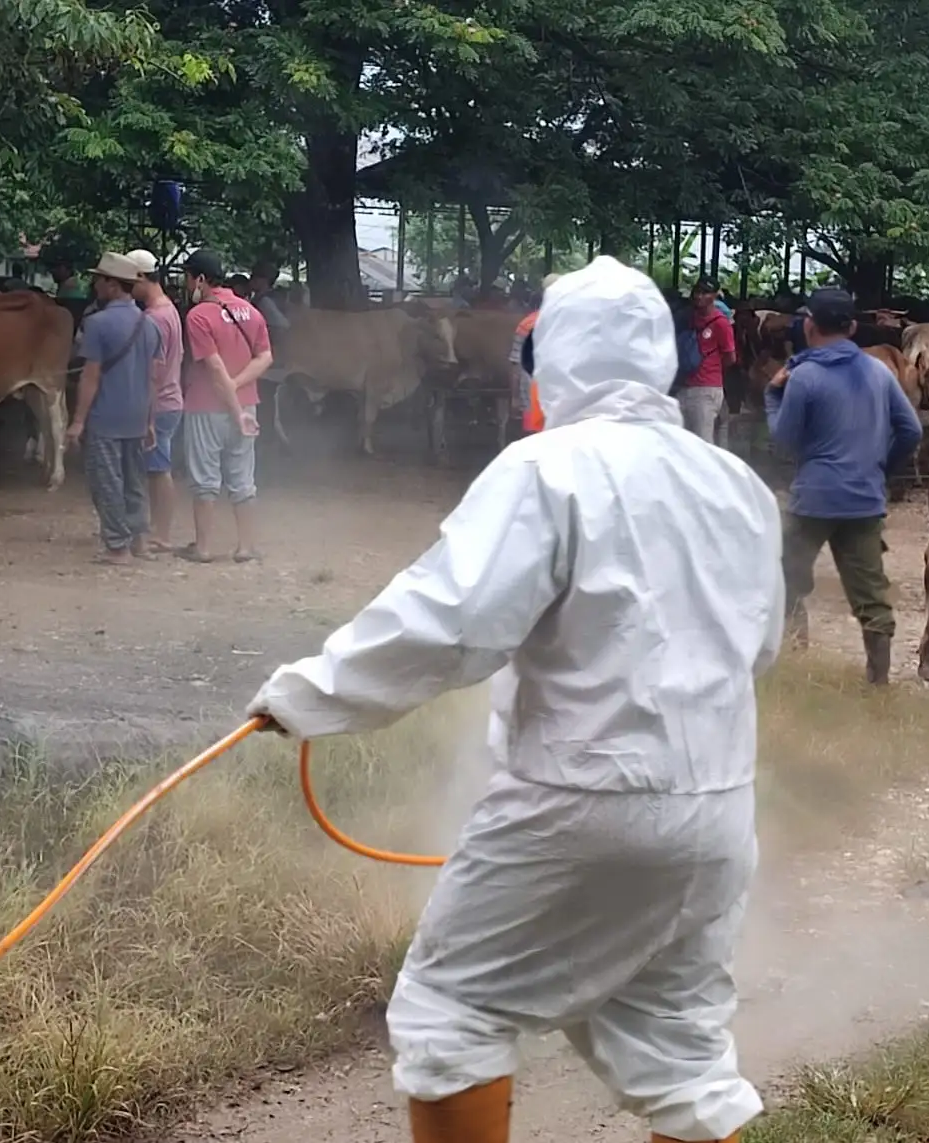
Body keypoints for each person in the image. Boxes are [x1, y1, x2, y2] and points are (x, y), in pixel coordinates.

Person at [245, 255, 783, 1143]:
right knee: (682, 1049)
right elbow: (755, 645)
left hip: (576, 800)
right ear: (660, 358)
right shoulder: (736, 485)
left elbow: (453, 621)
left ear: (553, 361)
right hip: (717, 810)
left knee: (451, 1011)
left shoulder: (546, 469)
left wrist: (311, 693)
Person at [765, 287, 922, 683]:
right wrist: (880, 469)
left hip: (814, 499)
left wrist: (772, 395)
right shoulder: (878, 372)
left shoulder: (803, 377)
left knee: (785, 577)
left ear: (808, 325)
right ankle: (878, 684)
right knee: (871, 595)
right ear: (853, 327)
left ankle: (786, 659)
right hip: (864, 501)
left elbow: (784, 438)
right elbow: (911, 430)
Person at [66, 252, 162, 565]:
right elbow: (153, 379)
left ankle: (117, 547)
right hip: (137, 416)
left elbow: (91, 376)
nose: (94, 285)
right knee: (135, 481)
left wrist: (78, 421)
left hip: (106, 416)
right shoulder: (149, 325)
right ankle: (141, 541)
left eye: (99, 279)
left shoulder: (97, 324)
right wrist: (149, 421)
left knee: (106, 482)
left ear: (112, 284)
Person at [179, 250, 273, 564]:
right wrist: (239, 392)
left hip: (206, 406)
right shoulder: (251, 311)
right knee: (242, 476)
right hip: (248, 406)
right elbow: (265, 358)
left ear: (201, 279)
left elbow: (215, 370)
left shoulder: (198, 316)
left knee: (205, 478)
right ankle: (245, 547)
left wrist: (230, 397)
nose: (186, 283)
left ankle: (203, 548)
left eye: (188, 277)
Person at [126, 249, 185, 553]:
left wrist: (145, 412)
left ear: (141, 278)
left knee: (159, 470)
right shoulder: (169, 310)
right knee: (156, 469)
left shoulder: (154, 318)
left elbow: (154, 372)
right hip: (169, 400)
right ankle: (157, 529)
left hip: (159, 404)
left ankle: (162, 534)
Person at [679, 276, 736, 446]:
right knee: (683, 444)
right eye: (697, 292)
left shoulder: (721, 324)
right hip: (685, 386)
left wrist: (711, 366)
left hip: (707, 388)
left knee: (702, 444)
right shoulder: (688, 318)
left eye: (705, 293)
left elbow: (730, 357)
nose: (699, 296)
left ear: (714, 296)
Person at [510, 273, 559, 434]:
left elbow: (516, 364)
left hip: (533, 396)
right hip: (564, 399)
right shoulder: (572, 323)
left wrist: (515, 396)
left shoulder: (526, 324)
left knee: (535, 441)